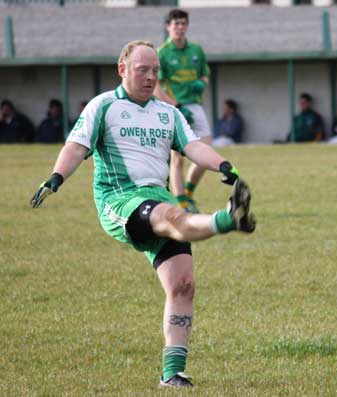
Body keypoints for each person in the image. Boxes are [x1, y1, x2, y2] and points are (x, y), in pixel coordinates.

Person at [30, 40, 256, 389]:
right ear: (122, 69)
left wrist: (222, 164)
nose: (151, 77)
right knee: (173, 217)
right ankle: (226, 220)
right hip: (120, 201)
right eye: (143, 70)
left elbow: (193, 145)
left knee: (183, 284)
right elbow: (76, 146)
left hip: (157, 197)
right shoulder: (103, 106)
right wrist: (56, 178)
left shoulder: (168, 113)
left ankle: (173, 374)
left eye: (155, 71)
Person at [154, 8, 211, 214]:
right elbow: (156, 88)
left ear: (187, 26)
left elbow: (205, 75)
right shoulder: (162, 53)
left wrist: (201, 84)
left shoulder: (196, 50)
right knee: (177, 157)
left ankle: (188, 192)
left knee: (206, 153)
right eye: (175, 24)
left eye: (183, 23)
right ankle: (182, 205)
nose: (179, 27)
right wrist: (176, 106)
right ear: (168, 26)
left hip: (195, 106)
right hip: (173, 108)